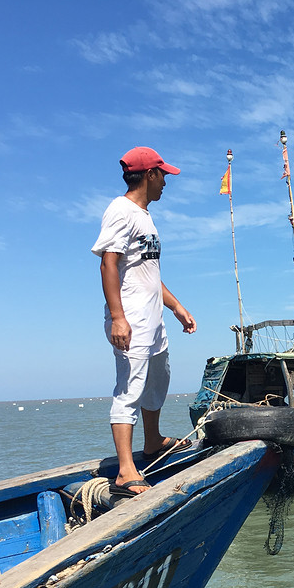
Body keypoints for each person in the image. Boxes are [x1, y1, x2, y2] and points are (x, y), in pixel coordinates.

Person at [92, 146, 196, 496]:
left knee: (157, 380)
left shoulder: (146, 216)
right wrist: (118, 318)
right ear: (150, 175)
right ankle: (125, 471)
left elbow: (148, 273)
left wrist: (176, 306)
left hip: (153, 319)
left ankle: (153, 441)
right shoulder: (121, 211)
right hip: (132, 318)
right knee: (129, 389)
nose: (167, 181)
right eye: (163, 174)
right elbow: (109, 263)